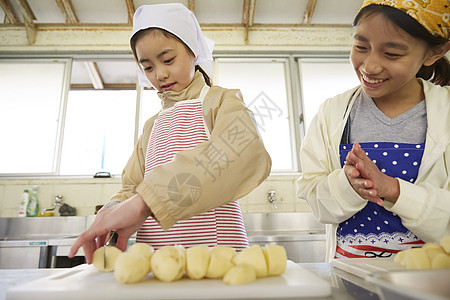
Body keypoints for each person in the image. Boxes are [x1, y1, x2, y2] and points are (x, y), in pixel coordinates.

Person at [69, 3, 271, 263]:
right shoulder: (152, 125)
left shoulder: (222, 102)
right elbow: (132, 185)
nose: (160, 74)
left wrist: (147, 202)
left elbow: (242, 153)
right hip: (159, 259)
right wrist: (112, 209)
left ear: (192, 50)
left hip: (219, 256)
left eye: (168, 60)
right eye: (148, 67)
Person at [297, 0, 450, 262]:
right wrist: (347, 186)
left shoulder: (445, 111)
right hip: (348, 275)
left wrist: (393, 189)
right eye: (360, 47)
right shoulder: (332, 112)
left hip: (431, 280)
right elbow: (314, 198)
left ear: (433, 53)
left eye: (392, 54)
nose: (370, 66)